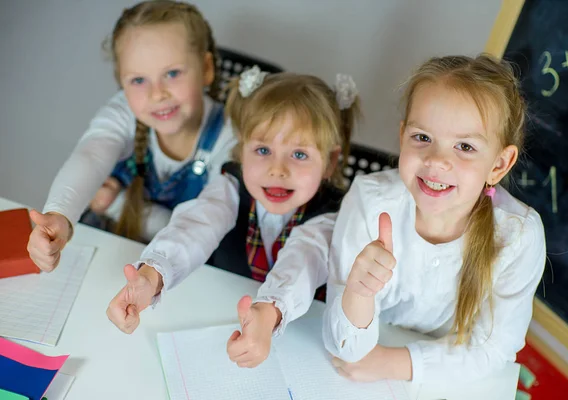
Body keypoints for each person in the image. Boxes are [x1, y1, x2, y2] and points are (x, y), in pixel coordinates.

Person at [323, 54, 546, 384]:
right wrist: (357, 292)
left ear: (499, 164)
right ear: (403, 137)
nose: (437, 161)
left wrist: (392, 364)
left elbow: (496, 348)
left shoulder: (518, 236)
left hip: (444, 377)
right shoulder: (369, 201)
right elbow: (343, 348)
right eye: (423, 138)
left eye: (465, 146)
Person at [105, 68, 361, 345]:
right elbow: (195, 226)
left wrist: (269, 312)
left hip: (298, 336)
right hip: (216, 319)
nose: (277, 170)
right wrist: (152, 275)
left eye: (299, 154)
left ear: (330, 161)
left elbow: (305, 259)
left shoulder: (334, 213)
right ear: (241, 150)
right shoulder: (230, 186)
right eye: (263, 150)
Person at [27, 0, 236, 272]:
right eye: (138, 80)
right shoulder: (124, 111)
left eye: (172, 73)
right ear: (122, 82)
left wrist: (115, 204)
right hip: (117, 256)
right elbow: (90, 155)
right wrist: (59, 215)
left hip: (186, 268)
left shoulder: (230, 137)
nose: (156, 93)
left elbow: (205, 228)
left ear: (206, 68)